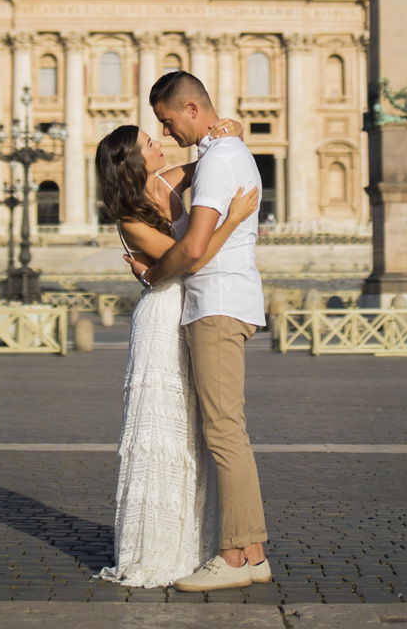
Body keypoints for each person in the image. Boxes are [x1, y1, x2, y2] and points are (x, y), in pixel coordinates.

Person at [94, 119, 259, 587]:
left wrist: (229, 132)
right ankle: (156, 547)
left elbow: (209, 163)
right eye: (150, 142)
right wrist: (234, 219)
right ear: (131, 161)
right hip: (162, 321)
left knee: (189, 432)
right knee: (163, 431)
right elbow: (190, 256)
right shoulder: (130, 219)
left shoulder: (167, 181)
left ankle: (188, 542)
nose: (161, 141)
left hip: (188, 307)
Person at [128, 70, 273, 591]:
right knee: (226, 429)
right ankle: (251, 551)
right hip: (218, 302)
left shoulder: (218, 162)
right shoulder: (221, 155)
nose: (165, 135)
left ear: (191, 109)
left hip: (215, 303)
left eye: (166, 122)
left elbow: (191, 252)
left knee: (224, 433)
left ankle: (234, 558)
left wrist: (150, 277)